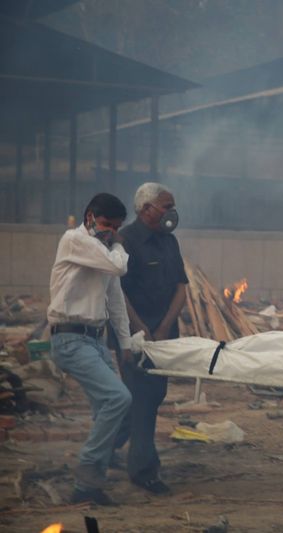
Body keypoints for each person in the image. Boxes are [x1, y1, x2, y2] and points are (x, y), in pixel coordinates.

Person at [48, 193, 133, 505]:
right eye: (106, 224)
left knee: (111, 409)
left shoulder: (103, 253)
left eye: (116, 228)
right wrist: (119, 244)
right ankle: (87, 479)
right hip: (70, 338)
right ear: (89, 218)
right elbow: (119, 267)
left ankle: (96, 473)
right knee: (118, 398)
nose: (111, 232)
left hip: (96, 339)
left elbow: (116, 302)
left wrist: (125, 343)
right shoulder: (75, 240)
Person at [110, 182, 187, 494]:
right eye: (166, 206)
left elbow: (181, 287)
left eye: (172, 206)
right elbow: (118, 293)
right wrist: (141, 329)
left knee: (151, 396)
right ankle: (144, 471)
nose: (172, 212)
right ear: (146, 209)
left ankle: (105, 446)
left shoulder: (170, 241)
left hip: (163, 335)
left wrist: (165, 327)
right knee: (142, 398)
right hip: (134, 336)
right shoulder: (125, 240)